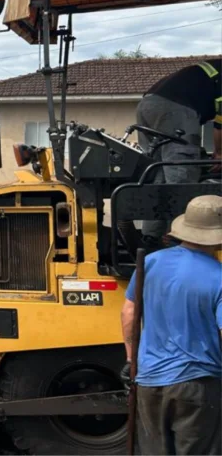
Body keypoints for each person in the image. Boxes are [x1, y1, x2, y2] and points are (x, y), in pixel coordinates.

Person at [121, 194, 222, 455]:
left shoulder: (152, 262)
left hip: (148, 380)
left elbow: (130, 312)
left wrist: (132, 360)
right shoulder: (219, 276)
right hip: (198, 384)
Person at [136, 58, 222, 249]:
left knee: (158, 177)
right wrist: (219, 153)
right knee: (183, 178)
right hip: (175, 110)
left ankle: (151, 239)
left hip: (146, 105)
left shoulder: (211, 72)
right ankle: (180, 240)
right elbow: (220, 125)